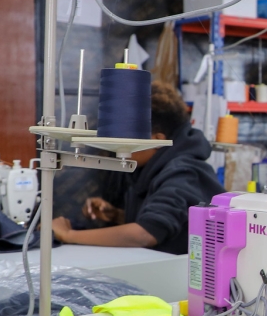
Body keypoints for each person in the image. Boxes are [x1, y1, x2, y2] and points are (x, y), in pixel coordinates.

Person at [52, 82, 224, 254]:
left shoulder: (183, 173)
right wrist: (118, 216)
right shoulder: (151, 168)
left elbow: (146, 235)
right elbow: (171, 229)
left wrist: (68, 235)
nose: (118, 142)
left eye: (127, 135)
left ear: (157, 139)